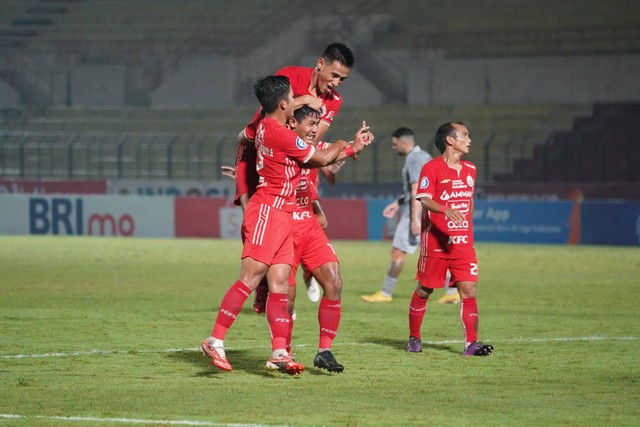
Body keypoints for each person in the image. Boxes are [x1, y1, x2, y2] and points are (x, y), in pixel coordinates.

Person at [200, 75, 372, 374]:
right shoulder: (282, 135)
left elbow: (245, 138)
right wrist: (347, 144)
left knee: (279, 284)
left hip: (284, 215)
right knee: (250, 278)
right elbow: (319, 158)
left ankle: (280, 352)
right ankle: (215, 339)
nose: (297, 100)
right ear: (283, 104)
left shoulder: (265, 126)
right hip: (269, 209)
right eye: (294, 97)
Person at [234, 43, 355, 308]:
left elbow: (310, 141)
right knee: (252, 224)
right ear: (320, 64)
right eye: (334, 75)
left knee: (317, 220)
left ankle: (302, 272)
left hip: (295, 161)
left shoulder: (334, 101)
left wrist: (329, 157)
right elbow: (265, 119)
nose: (336, 84)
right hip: (256, 152)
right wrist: (303, 102)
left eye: (342, 79)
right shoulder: (290, 76)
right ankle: (265, 282)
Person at [407, 121, 493, 356]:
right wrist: (445, 210)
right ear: (450, 140)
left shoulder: (470, 170)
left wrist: (468, 230)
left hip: (463, 244)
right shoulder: (431, 168)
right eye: (465, 135)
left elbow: (469, 202)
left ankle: (471, 345)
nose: (469, 139)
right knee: (425, 290)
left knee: (469, 291)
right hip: (435, 244)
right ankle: (414, 337)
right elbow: (423, 199)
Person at [361, 128, 455, 303]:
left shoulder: (413, 159)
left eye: (395, 144)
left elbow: (416, 190)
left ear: (404, 143)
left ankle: (386, 293)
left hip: (417, 212)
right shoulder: (424, 157)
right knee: (438, 252)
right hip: (430, 210)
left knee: (398, 251)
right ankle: (452, 293)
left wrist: (413, 220)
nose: (393, 147)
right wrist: (397, 203)